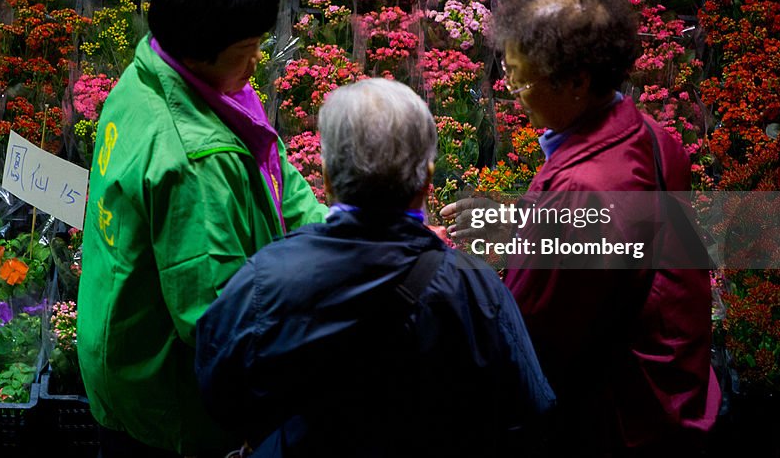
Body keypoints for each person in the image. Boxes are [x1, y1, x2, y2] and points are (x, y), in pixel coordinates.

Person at [195, 78, 556, 457]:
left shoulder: (266, 278)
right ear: (428, 180)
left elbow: (219, 396)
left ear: (329, 179)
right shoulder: (475, 287)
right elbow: (529, 412)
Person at [442, 0, 720, 456]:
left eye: (521, 79)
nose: (510, 90)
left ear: (576, 82)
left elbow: (530, 332)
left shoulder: (581, 188)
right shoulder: (652, 135)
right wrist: (522, 224)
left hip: (619, 417)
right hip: (677, 390)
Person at [77, 0, 328, 457]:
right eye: (248, 47)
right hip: (168, 397)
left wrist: (341, 228)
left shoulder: (149, 73)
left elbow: (272, 168)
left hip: (120, 340)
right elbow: (218, 318)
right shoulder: (195, 163)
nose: (258, 59)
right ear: (199, 49)